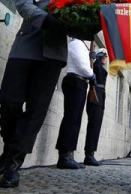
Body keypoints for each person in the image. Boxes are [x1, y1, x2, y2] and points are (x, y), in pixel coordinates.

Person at [0, 0, 71, 188]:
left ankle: (13, 163)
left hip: (52, 55)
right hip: (25, 48)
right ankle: (9, 148)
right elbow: (24, 5)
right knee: (8, 99)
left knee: (36, 109)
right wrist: (47, 20)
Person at [55, 38, 95, 169]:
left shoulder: (82, 44)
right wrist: (91, 74)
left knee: (75, 120)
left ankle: (69, 154)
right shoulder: (77, 43)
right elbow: (82, 66)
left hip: (80, 82)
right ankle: (64, 156)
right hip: (75, 81)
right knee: (71, 119)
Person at [84, 48, 108, 166]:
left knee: (96, 126)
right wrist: (94, 59)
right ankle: (89, 154)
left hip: (100, 95)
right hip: (95, 95)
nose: (105, 58)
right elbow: (94, 70)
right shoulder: (96, 65)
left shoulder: (101, 68)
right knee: (93, 125)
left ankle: (91, 153)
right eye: (103, 56)